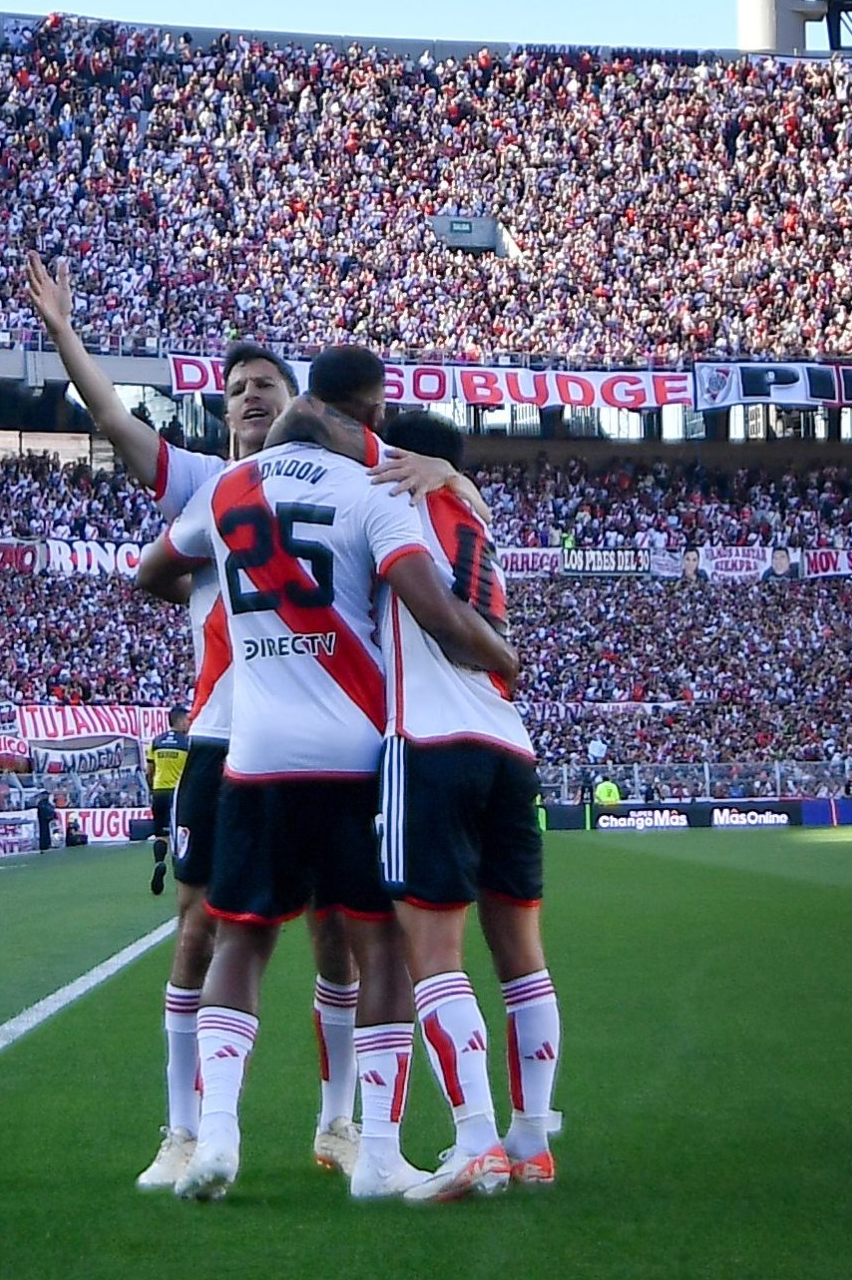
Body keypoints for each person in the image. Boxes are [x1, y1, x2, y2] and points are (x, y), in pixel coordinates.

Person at [28, 262, 452, 1194]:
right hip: (223, 734)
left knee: (335, 934)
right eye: (235, 391)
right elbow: (114, 425)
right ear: (221, 413)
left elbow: (421, 472)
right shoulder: (207, 485)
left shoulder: (315, 477)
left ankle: (336, 1124)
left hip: (279, 739)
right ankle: (186, 1131)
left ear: (297, 404)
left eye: (265, 387)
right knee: (204, 928)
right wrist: (65, 335)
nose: (249, 399)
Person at [139, 345, 521, 1204]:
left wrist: (239, 611)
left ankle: (219, 1138)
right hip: (356, 755)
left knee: (240, 939)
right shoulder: (371, 493)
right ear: (361, 425)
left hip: (256, 752)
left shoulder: (229, 492)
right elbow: (438, 613)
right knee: (375, 942)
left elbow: (150, 570)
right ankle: (377, 1155)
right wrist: (505, 656)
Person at [363, 410, 565, 1198]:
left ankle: (476, 1139)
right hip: (509, 744)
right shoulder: (476, 519)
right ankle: (533, 1142)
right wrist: (451, 474)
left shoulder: (397, 501)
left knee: (434, 955)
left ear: (405, 457)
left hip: (433, 738)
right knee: (523, 957)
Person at [147, 707, 191, 898]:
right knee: (181, 834)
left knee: (161, 835)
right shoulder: (187, 743)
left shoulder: (156, 741)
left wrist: (152, 789)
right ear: (180, 721)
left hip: (159, 791)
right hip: (178, 793)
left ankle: (159, 862)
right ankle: (180, 876)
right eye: (187, 720)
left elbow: (149, 770)